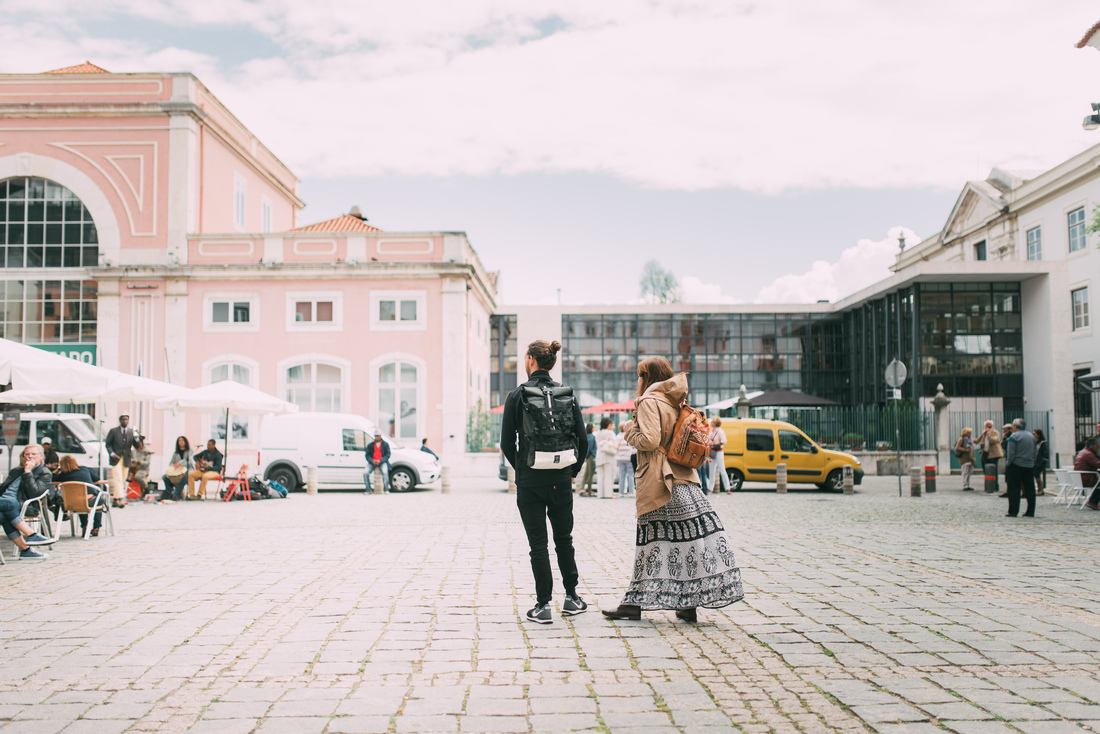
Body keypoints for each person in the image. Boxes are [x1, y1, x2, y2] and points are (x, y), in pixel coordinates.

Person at [603, 357, 744, 623]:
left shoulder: (648, 401)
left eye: (639, 375)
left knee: (650, 543)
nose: (637, 381)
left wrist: (629, 430)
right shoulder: (675, 400)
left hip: (661, 482)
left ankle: (633, 604)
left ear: (647, 377)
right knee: (686, 542)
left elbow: (650, 440)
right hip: (685, 480)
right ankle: (687, 605)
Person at [500, 338, 589, 624]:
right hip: (560, 479)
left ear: (530, 360)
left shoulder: (517, 395)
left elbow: (506, 442)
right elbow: (583, 440)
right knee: (564, 539)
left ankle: (543, 604)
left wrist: (522, 470)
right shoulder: (566, 394)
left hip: (531, 482)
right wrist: (571, 471)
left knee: (538, 544)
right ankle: (572, 597)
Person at [1, 445, 56, 559]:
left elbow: (34, 494)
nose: (29, 456)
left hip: (24, 505)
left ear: (41, 457)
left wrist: (28, 472)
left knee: (4, 513)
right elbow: (3, 489)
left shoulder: (45, 473)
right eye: (27, 454)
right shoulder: (16, 471)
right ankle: (31, 536)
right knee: (7, 506)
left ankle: (26, 549)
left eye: (33, 454)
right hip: (5, 503)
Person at [54, 455, 105, 536]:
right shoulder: (85, 469)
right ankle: (96, 527)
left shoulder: (63, 475)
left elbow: (53, 478)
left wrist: (57, 470)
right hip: (89, 500)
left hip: (70, 503)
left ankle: (84, 525)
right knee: (98, 500)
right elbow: (97, 479)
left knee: (79, 502)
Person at [104, 413, 143, 508]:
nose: (125, 421)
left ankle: (115, 500)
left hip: (126, 458)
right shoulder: (113, 431)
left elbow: (138, 447)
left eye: (126, 419)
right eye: (123, 419)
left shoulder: (131, 432)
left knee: (123, 479)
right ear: (120, 420)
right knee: (117, 478)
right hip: (115, 458)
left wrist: (137, 438)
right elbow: (107, 444)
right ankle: (120, 499)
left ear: (128, 420)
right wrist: (111, 453)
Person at [1005, 418, 1036, 518]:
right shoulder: (1031, 436)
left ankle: (1013, 511)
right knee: (1030, 489)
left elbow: (1011, 454)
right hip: (1029, 466)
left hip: (1016, 465)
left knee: (1014, 489)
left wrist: (1008, 464)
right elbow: (1034, 451)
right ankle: (1030, 511)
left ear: (1015, 426)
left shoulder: (1014, 436)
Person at [160, 436, 193, 503]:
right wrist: (172, 466)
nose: (181, 442)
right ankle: (169, 492)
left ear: (185, 442)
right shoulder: (175, 453)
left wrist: (179, 463)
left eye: (182, 440)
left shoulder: (189, 451)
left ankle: (176, 495)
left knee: (184, 477)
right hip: (177, 471)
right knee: (165, 477)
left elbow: (189, 461)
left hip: (188, 470)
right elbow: (171, 462)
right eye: (179, 441)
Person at [976, 420, 1003, 494]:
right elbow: (978, 441)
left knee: (994, 471)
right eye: (986, 425)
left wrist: (988, 434)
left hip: (994, 454)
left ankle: (995, 487)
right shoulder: (984, 432)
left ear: (992, 426)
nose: (988, 427)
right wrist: (981, 437)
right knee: (985, 470)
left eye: (989, 425)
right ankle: (988, 486)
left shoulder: (995, 432)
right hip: (985, 453)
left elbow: (995, 441)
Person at [594, 418, 618, 499]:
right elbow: (615, 444)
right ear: (608, 425)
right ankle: (608, 494)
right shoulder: (610, 433)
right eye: (611, 424)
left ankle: (600, 494)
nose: (612, 426)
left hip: (599, 456)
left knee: (600, 476)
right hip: (609, 457)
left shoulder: (598, 433)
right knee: (609, 476)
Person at [1076, 439, 1100, 510]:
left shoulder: (1082, 452)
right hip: (1087, 479)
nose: (1098, 448)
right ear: (1092, 446)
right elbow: (1098, 464)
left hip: (1080, 479)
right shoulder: (1088, 454)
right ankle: (1093, 502)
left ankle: (1093, 502)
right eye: (1097, 446)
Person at [709, 417, 730, 493]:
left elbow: (724, 441)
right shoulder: (711, 431)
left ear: (715, 423)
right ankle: (710, 488)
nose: (711, 422)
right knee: (712, 471)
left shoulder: (720, 431)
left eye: (713, 421)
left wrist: (715, 444)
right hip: (713, 451)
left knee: (722, 469)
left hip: (719, 451)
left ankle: (727, 488)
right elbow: (708, 440)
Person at [615, 429, 636, 497]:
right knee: (630, 475)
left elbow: (616, 447)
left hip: (620, 458)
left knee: (622, 475)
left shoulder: (618, 436)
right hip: (628, 458)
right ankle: (631, 492)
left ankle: (621, 492)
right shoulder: (629, 435)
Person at [577, 423, 597, 496]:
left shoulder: (587, 436)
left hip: (588, 457)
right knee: (590, 474)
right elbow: (590, 447)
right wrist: (588, 455)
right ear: (591, 428)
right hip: (591, 457)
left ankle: (582, 489)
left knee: (586, 474)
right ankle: (589, 490)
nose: (594, 428)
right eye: (593, 427)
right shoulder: (592, 436)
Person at [1032, 429, 1048, 496]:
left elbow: (1045, 453)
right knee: (1036, 475)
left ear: (1038, 435)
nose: (1033, 435)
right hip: (1035, 462)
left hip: (1039, 462)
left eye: (1034, 434)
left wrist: (1042, 461)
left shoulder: (1042, 443)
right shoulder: (1036, 442)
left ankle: (1041, 490)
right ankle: (1039, 490)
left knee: (1036, 474)